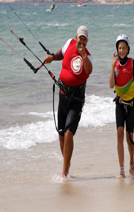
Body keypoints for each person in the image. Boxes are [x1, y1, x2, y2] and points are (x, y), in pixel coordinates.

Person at [43, 26, 93, 181]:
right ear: (76, 37)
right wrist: (52, 56)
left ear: (87, 41)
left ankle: (64, 174)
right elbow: (61, 53)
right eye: (80, 38)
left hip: (76, 100)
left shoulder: (88, 57)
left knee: (69, 133)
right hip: (63, 96)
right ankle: (67, 165)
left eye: (84, 39)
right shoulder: (70, 44)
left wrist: (84, 56)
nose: (81, 41)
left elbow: (89, 70)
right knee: (60, 134)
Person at [109, 34, 134, 179]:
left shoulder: (132, 63)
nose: (121, 50)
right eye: (119, 48)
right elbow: (111, 84)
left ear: (128, 49)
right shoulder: (115, 65)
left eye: (124, 48)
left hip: (131, 104)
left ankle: (132, 161)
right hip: (119, 103)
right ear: (117, 50)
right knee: (119, 134)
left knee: (130, 138)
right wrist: (112, 66)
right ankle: (122, 170)